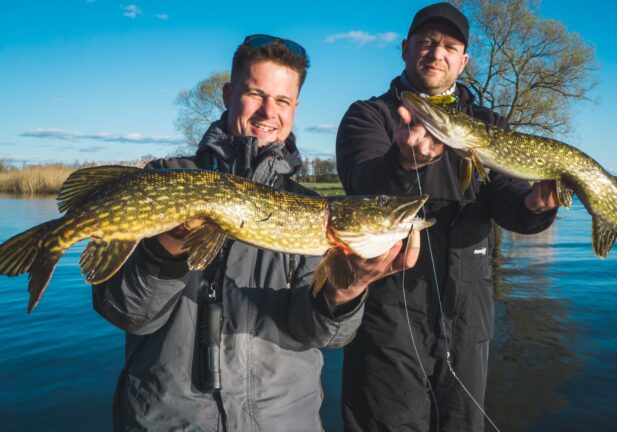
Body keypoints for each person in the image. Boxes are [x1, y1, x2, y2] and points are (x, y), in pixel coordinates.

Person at [93, 34, 417, 431]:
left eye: (282, 101)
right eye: (255, 94)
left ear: (295, 107)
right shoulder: (164, 177)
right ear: (229, 94)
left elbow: (320, 335)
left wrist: (344, 294)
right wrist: (169, 245)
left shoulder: (310, 208)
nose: (268, 112)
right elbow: (126, 312)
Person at [335, 3, 560, 431]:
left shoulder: (488, 125)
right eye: (427, 43)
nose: (437, 53)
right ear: (405, 49)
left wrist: (535, 207)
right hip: (389, 317)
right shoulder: (370, 115)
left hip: (468, 317)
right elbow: (360, 187)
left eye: (450, 46)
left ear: (463, 61)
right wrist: (403, 163)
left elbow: (507, 199)